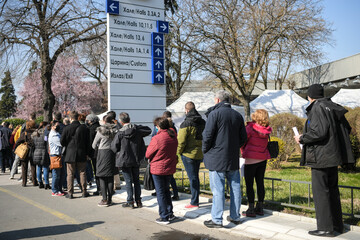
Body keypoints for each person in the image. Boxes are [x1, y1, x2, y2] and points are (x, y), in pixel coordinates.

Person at [294, 84, 354, 237]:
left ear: (310, 96)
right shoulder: (331, 106)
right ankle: (337, 225)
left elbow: (318, 132)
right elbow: (346, 129)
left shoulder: (317, 107)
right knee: (332, 191)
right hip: (333, 156)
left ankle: (325, 228)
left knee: (321, 193)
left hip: (320, 157)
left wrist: (302, 138)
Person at [202, 90, 247, 228]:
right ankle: (235, 216)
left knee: (218, 190)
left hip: (216, 158)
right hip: (232, 157)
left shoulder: (214, 114)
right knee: (235, 188)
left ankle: (217, 219)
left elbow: (207, 136)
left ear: (217, 100)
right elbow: (243, 138)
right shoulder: (237, 115)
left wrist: (205, 150)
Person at [111, 112, 151, 208]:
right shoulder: (137, 130)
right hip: (136, 158)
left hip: (124, 159)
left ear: (120, 121)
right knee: (136, 180)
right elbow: (148, 130)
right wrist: (136, 127)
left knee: (128, 181)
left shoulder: (120, 133)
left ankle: (130, 201)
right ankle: (138, 201)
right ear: (129, 120)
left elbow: (113, 147)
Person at [146, 117, 178, 225]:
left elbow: (148, 154)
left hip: (158, 167)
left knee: (160, 193)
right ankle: (170, 213)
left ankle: (164, 216)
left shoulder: (157, 138)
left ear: (158, 127)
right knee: (166, 191)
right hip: (169, 166)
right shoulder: (173, 135)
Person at [240, 109, 272, 217]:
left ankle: (251, 208)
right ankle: (260, 207)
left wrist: (243, 151)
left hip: (250, 159)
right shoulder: (267, 130)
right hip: (262, 158)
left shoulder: (250, 128)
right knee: (260, 183)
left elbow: (243, 140)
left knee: (249, 184)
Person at [177, 101, 206, 208]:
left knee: (192, 178)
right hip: (199, 153)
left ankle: (194, 202)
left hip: (188, 154)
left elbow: (181, 141)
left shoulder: (185, 124)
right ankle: (195, 199)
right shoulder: (202, 122)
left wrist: (178, 153)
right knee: (195, 177)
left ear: (187, 110)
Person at [61, 111, 90, 199]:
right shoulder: (84, 128)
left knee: (70, 174)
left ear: (70, 118)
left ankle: (70, 193)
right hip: (81, 153)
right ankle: (84, 191)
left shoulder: (67, 128)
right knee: (82, 172)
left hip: (70, 153)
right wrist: (87, 153)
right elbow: (88, 142)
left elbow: (62, 141)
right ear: (78, 117)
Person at [92, 115, 118, 207]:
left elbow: (94, 145)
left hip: (102, 153)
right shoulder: (115, 130)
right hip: (112, 153)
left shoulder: (100, 131)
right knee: (110, 176)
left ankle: (104, 199)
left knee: (102, 176)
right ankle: (110, 199)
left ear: (103, 121)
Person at [14, 120, 37, 187]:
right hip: (33, 151)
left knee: (24, 167)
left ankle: (24, 182)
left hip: (25, 151)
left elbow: (17, 141)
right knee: (33, 167)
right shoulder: (36, 133)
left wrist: (21, 145)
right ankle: (34, 181)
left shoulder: (25, 133)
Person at [32, 121, 51, 189]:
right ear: (44, 126)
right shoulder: (45, 134)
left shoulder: (35, 133)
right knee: (45, 168)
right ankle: (46, 183)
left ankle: (40, 182)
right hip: (44, 152)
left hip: (36, 152)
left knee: (39, 168)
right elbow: (46, 143)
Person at [86, 114, 101, 196]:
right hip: (102, 151)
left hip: (94, 152)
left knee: (96, 170)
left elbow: (90, 143)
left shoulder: (91, 129)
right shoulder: (100, 127)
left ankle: (99, 188)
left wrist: (88, 153)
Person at [48, 121, 64, 196]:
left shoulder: (56, 133)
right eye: (56, 125)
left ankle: (59, 189)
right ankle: (54, 190)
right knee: (56, 174)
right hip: (55, 155)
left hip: (58, 155)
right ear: (53, 126)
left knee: (59, 174)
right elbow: (61, 143)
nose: (58, 127)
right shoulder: (53, 135)